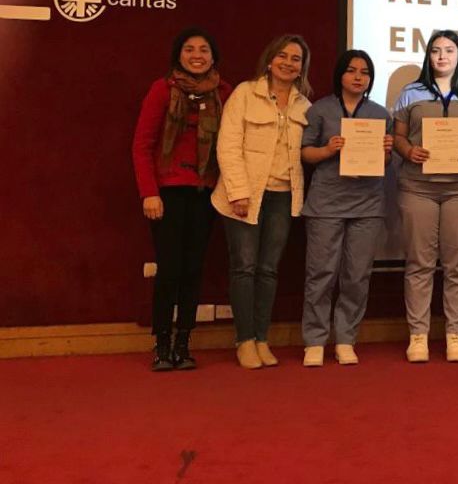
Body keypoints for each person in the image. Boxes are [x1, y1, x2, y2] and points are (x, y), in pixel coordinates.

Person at [133, 28, 231, 371]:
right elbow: (142, 145)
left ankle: (183, 342)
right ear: (178, 55)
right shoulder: (163, 90)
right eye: (189, 49)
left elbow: (231, 145)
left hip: (206, 193)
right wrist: (149, 192)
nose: (197, 55)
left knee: (193, 268)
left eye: (204, 49)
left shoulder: (224, 93)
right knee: (169, 269)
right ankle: (162, 343)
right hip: (167, 193)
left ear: (213, 57)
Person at [211, 34, 312, 370]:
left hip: (283, 196)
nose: (288, 63)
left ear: (302, 68)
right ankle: (244, 340)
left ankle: (261, 338)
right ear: (269, 60)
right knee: (244, 267)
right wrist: (239, 192)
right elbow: (228, 145)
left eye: (295, 59)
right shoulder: (244, 93)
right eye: (282, 56)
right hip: (244, 196)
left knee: (268, 270)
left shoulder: (304, 105)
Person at [392, 31, 458, 363]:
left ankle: (455, 334)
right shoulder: (410, 92)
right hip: (418, 187)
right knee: (419, 262)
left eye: (449, 50)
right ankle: (418, 335)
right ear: (428, 56)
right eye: (435, 50)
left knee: (457, 263)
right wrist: (409, 151)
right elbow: (398, 136)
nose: (442, 56)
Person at [300, 50, 393, 367]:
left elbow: (384, 163)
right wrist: (328, 149)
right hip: (326, 203)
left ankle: (345, 339)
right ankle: (314, 340)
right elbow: (306, 154)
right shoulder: (320, 109)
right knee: (321, 274)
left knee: (356, 276)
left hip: (367, 204)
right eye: (352, 70)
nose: (358, 77)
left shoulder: (380, 114)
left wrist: (386, 151)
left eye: (365, 72)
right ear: (340, 74)